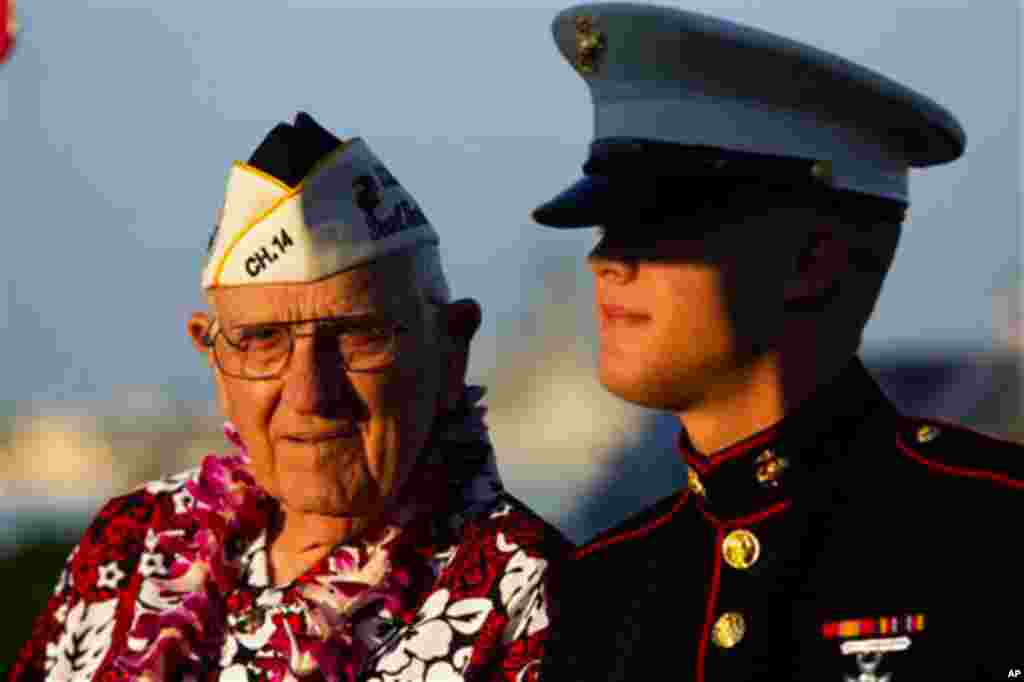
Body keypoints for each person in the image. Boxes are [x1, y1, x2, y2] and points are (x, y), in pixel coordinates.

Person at [530, 4, 1022, 681]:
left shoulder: (997, 535)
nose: (606, 261)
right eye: (606, 226)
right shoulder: (595, 596)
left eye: (655, 223)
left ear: (810, 262)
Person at [10, 112, 569, 682]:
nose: (308, 393)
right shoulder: (131, 541)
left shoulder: (535, 596)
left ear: (451, 348)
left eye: (357, 336)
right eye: (261, 341)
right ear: (215, 358)